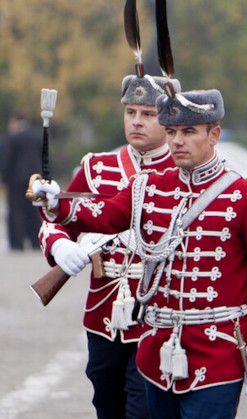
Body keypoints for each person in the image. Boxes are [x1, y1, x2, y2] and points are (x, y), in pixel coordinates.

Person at [32, 89, 247, 419]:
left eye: (188, 132)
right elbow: (103, 214)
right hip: (155, 354)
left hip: (217, 354)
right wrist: (56, 203)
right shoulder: (148, 187)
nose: (177, 141)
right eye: (171, 132)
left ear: (214, 135)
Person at [34, 71, 179, 419]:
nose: (137, 122)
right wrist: (59, 248)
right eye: (131, 112)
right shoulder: (97, 167)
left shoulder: (181, 169)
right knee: (107, 405)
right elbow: (56, 220)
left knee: (142, 409)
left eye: (148, 113)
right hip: (103, 313)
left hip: (157, 316)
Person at [1, 112, 42, 251]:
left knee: (16, 211)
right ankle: (36, 241)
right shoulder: (37, 136)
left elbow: (7, 160)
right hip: (35, 179)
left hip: (16, 179)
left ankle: (17, 243)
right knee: (34, 210)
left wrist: (4, 179)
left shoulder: (13, 138)